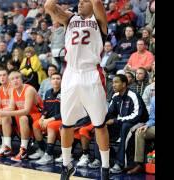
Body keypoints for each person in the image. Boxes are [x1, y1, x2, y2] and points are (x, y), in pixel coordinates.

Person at [45, 0, 110, 179]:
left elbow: (96, 2)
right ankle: (66, 165)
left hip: (92, 74)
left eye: (84, 2)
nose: (80, 4)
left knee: (99, 124)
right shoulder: (70, 19)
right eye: (79, 2)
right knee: (66, 124)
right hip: (71, 74)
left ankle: (105, 168)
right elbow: (49, 7)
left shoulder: (99, 22)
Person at [0, 71, 43, 162]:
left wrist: (6, 113)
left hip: (37, 114)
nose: (15, 81)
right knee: (5, 117)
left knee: (22, 118)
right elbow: (11, 107)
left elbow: (26, 110)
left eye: (17, 78)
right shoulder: (13, 90)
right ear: (10, 81)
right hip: (24, 114)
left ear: (22, 79)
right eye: (13, 79)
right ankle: (7, 146)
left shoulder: (29, 89)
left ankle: (23, 150)